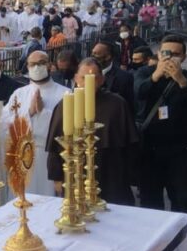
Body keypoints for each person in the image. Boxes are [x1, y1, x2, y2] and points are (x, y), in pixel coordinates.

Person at [136, 34, 187, 251]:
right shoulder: (145, 75)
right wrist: (157, 76)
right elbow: (139, 96)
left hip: (181, 150)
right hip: (150, 151)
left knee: (186, 201)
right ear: (158, 54)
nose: (169, 58)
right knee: (150, 202)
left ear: (183, 57)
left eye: (175, 54)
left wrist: (181, 83)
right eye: (165, 53)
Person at [45, 59, 139, 206]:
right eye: (84, 78)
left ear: (101, 79)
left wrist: (131, 176)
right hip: (76, 173)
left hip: (112, 172)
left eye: (94, 78)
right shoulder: (66, 104)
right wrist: (56, 177)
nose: (89, 82)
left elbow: (130, 145)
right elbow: (55, 145)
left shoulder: (117, 104)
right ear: (76, 79)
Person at [1, 52, 68, 197]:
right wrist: (29, 112)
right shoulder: (19, 93)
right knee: (22, 199)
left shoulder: (65, 94)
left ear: (50, 65)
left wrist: (43, 112)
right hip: (22, 154)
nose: (37, 67)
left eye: (41, 63)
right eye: (32, 64)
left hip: (49, 155)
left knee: (47, 200)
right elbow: (4, 123)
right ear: (27, 67)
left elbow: (66, 128)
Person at [91, 40, 134, 110]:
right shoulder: (85, 74)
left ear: (108, 57)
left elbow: (129, 107)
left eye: (96, 54)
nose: (92, 57)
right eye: (92, 53)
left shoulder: (124, 77)